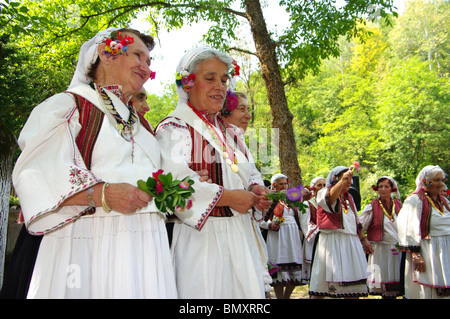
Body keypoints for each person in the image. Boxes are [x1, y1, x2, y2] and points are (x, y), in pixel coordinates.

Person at [8, 28, 214, 299]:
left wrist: (177, 185)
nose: (146, 67)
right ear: (106, 53)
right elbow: (34, 172)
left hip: (144, 243)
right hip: (89, 243)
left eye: (149, 61)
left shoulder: (140, 124)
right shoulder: (69, 105)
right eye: (138, 56)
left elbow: (149, 175)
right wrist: (101, 194)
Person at [155, 46, 271, 299]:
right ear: (187, 83)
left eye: (224, 79)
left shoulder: (230, 132)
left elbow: (250, 171)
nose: (220, 85)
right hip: (202, 240)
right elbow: (172, 187)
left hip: (241, 235)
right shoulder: (174, 128)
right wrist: (228, 197)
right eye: (210, 78)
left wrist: (255, 189)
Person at [309, 166, 373, 299]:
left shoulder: (349, 198)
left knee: (353, 287)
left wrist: (363, 240)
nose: (348, 181)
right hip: (332, 242)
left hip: (350, 243)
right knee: (323, 288)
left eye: (350, 179)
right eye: (345, 178)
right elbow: (330, 199)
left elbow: (356, 222)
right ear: (335, 179)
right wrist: (342, 181)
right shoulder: (323, 193)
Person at [397, 165, 450, 299]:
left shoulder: (444, 201)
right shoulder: (415, 200)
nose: (441, 183)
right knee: (427, 289)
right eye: (437, 180)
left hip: (445, 251)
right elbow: (408, 227)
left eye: (441, 179)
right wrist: (415, 254)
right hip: (428, 250)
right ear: (425, 181)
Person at [260, 173, 303, 299]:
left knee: (294, 271)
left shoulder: (292, 199)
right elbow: (260, 219)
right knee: (279, 273)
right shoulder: (269, 198)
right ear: (274, 185)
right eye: (281, 184)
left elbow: (301, 215)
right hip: (277, 237)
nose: (284, 186)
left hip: (292, 237)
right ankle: (280, 298)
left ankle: (287, 297)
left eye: (285, 183)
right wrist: (269, 225)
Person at [360, 176, 403, 298]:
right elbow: (361, 226)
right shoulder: (372, 206)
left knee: (394, 285)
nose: (383, 189)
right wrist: (365, 240)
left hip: (396, 248)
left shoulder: (399, 205)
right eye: (380, 187)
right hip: (379, 248)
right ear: (377, 189)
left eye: (386, 186)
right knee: (384, 282)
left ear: (392, 189)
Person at [300, 176, 326, 285]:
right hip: (313, 241)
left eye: (324, 185)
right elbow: (306, 225)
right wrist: (321, 228)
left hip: (325, 241)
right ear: (312, 187)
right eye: (319, 185)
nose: (322, 187)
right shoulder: (307, 204)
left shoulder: (326, 202)